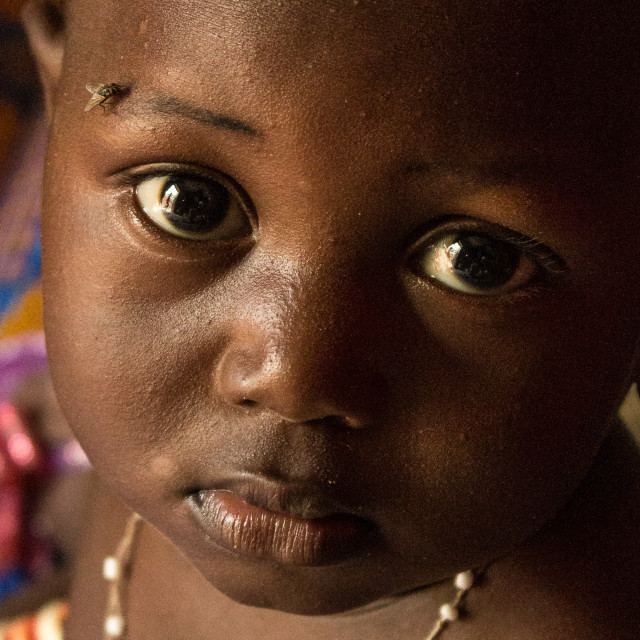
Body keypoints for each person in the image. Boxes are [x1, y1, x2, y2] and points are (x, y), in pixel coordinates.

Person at [10, 0, 640, 637]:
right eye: (190, 204)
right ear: (56, 56)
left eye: (477, 262)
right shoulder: (164, 462)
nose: (293, 382)